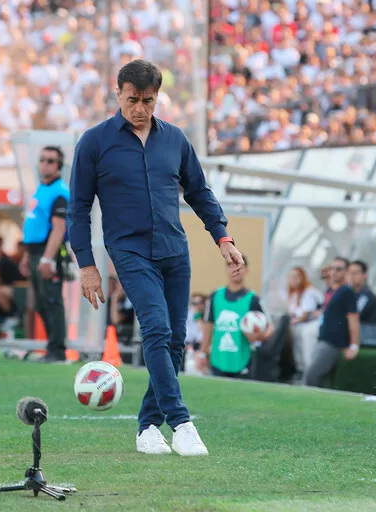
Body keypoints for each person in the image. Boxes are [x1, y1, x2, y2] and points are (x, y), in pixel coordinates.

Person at [67, 59, 244, 457]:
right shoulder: (94, 143)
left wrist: (224, 239)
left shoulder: (176, 140)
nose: (140, 108)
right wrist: (87, 266)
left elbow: (199, 193)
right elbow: (78, 209)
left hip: (174, 250)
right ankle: (181, 423)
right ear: (118, 94)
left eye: (148, 100)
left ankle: (148, 427)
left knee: (176, 340)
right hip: (128, 252)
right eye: (133, 100)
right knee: (157, 331)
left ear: (157, 97)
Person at [20, 145, 70, 362]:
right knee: (40, 302)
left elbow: (58, 229)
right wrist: (25, 256)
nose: (45, 164)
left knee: (52, 300)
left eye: (50, 160)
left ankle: (57, 350)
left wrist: (47, 259)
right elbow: (33, 225)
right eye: (43, 159)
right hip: (34, 251)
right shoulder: (41, 189)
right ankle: (52, 346)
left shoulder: (60, 192)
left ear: (58, 165)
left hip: (47, 252)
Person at [200, 254, 273, 379]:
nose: (235, 270)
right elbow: (208, 325)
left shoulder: (253, 299)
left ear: (246, 271)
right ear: (226, 269)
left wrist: (260, 336)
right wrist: (202, 353)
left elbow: (270, 326)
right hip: (218, 359)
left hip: (242, 360)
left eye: (240, 266)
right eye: (231, 266)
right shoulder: (215, 296)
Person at [304, 258, 361, 388]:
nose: (334, 272)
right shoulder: (331, 291)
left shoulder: (347, 292)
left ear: (346, 272)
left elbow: (354, 319)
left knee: (312, 376)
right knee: (313, 377)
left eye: (338, 269)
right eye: (332, 268)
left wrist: (354, 345)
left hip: (333, 343)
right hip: (323, 339)